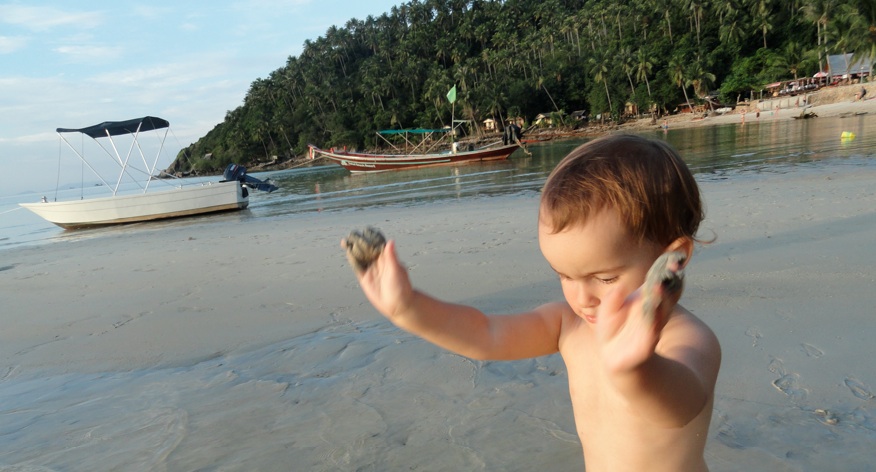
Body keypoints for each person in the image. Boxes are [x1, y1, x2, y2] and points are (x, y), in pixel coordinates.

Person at [348, 134, 722, 471]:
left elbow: (681, 408)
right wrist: (409, 309)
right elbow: (486, 335)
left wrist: (637, 371)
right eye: (563, 276)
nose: (581, 297)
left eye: (605, 278)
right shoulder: (568, 324)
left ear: (673, 258)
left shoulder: (688, 339)